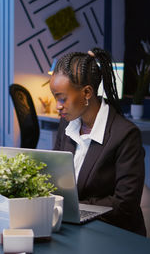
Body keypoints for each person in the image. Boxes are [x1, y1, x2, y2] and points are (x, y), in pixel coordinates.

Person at [49, 47, 146, 236]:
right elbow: (56, 178)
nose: (57, 107)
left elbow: (125, 205)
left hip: (115, 235)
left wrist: (72, 207)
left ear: (87, 92)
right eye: (55, 98)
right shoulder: (67, 125)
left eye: (62, 99)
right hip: (74, 229)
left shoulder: (125, 135)